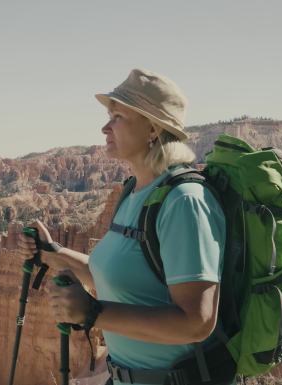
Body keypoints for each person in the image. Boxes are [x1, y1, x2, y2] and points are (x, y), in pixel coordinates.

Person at [17, 69, 230, 385]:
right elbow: (116, 278)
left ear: (153, 128)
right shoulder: (134, 192)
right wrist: (55, 253)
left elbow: (196, 322)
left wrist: (92, 313)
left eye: (117, 116)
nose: (105, 127)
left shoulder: (184, 201)